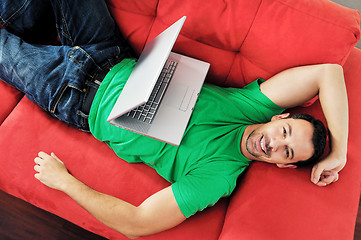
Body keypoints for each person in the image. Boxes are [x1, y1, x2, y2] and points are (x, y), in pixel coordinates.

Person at [0, 0, 348, 238]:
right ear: (279, 116)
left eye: (286, 153)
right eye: (285, 131)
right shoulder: (252, 107)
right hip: (109, 52)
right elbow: (328, 73)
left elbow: (137, 223)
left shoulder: (217, 177)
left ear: (282, 167)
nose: (274, 143)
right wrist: (339, 153)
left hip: (73, 94)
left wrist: (65, 182)